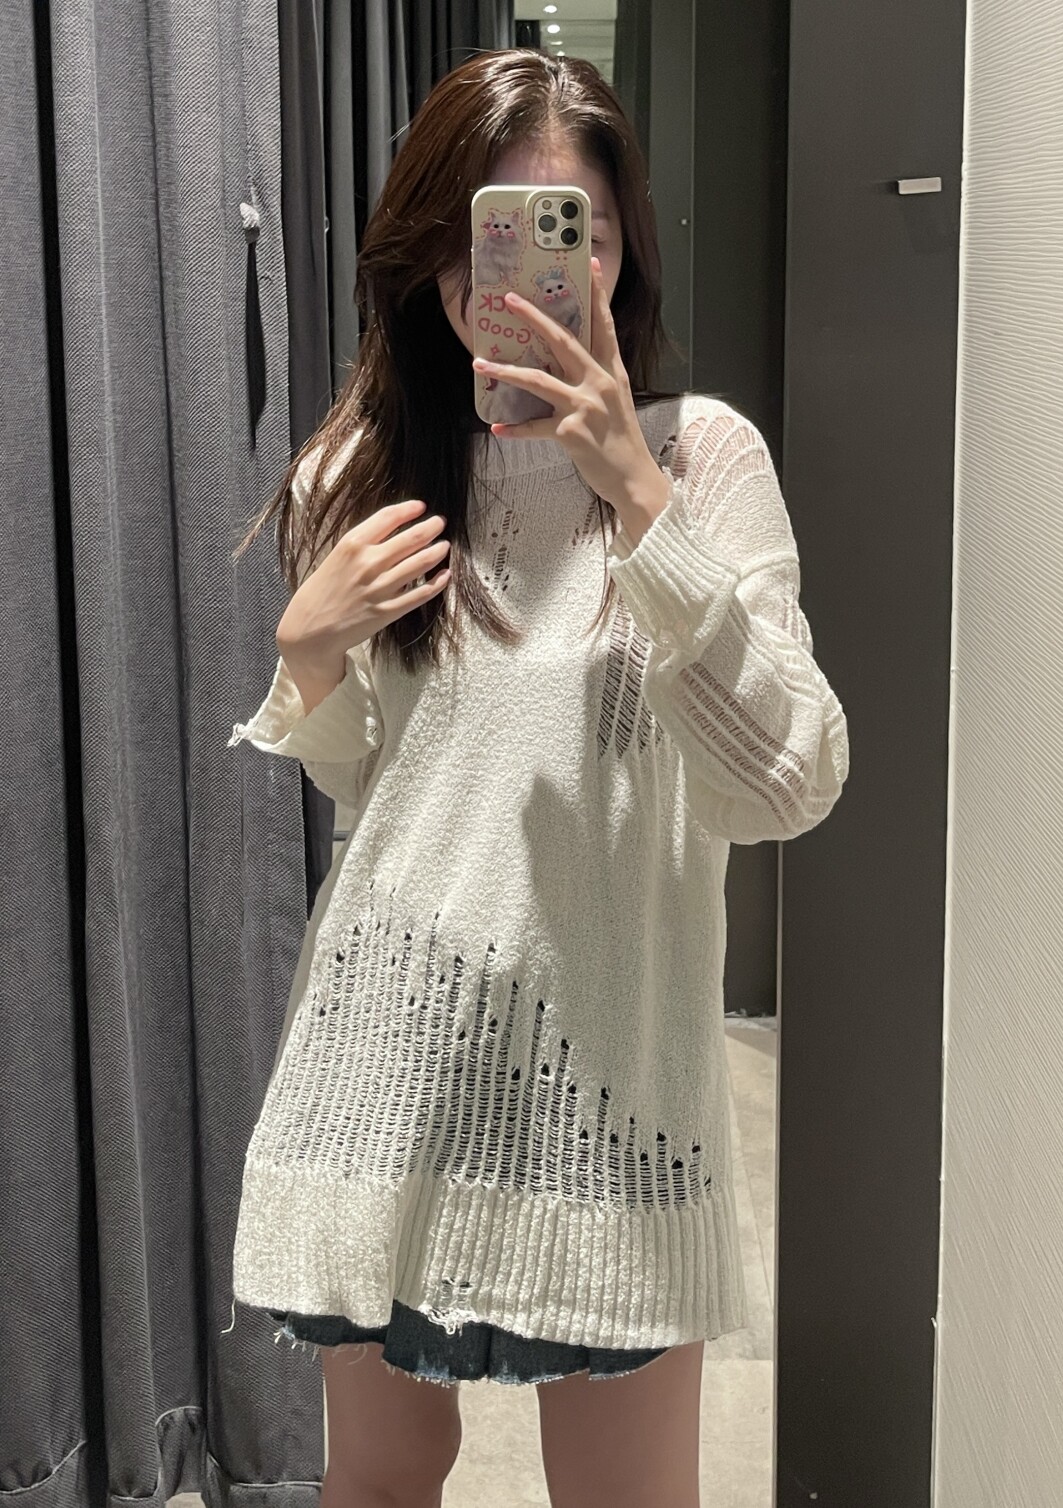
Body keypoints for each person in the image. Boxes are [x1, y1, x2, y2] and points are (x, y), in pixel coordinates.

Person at [227, 46, 849, 1508]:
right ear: (429, 255)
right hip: (385, 1063)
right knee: (378, 1483)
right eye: (483, 237)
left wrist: (641, 507)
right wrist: (305, 654)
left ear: (621, 253)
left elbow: (786, 782)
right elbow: (377, 793)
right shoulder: (360, 469)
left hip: (616, 1093)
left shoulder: (703, 462)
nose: (518, 283)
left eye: (573, 234)